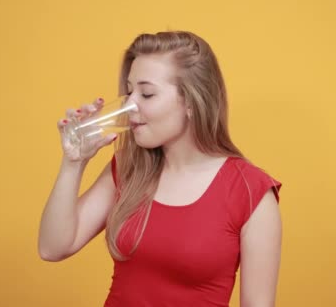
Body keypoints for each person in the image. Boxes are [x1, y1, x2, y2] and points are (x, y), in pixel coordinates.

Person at [38, 31, 282, 306]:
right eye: (129, 91)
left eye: (147, 93)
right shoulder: (128, 169)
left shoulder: (251, 191)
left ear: (191, 101)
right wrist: (74, 163)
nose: (130, 105)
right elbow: (52, 247)